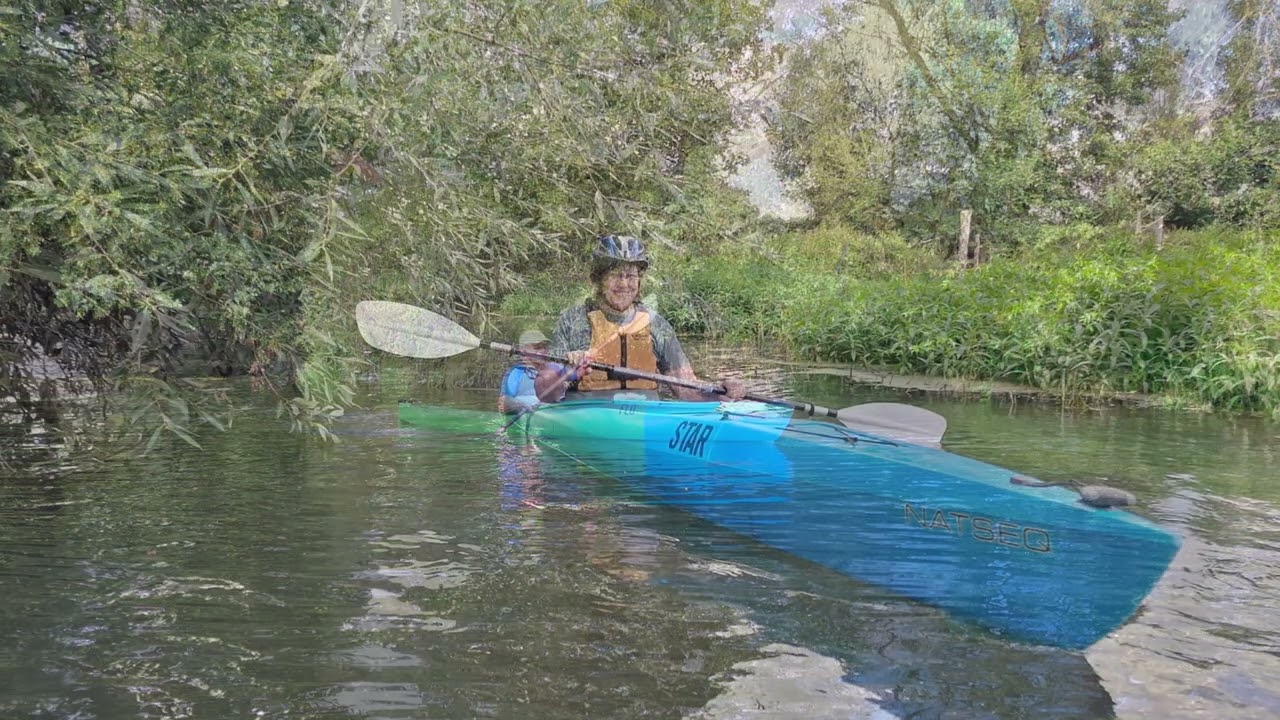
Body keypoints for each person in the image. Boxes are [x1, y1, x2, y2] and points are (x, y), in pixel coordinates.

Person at [535, 234, 746, 402]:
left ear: (639, 280)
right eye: (615, 275)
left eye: (631, 276)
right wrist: (567, 371)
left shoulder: (656, 325)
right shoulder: (573, 320)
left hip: (646, 415)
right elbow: (545, 392)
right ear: (598, 280)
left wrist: (720, 392)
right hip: (589, 416)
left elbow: (685, 388)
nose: (624, 284)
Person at [498, 329, 569, 414]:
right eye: (537, 347)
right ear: (522, 350)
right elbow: (503, 405)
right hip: (529, 419)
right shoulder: (514, 373)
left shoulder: (559, 370)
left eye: (545, 347)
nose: (543, 351)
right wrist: (520, 406)